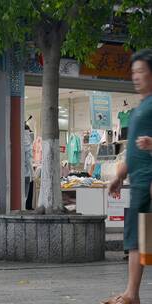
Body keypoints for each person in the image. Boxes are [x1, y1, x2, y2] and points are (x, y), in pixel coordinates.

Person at [104, 49, 152, 304]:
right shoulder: (140, 108)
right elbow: (133, 148)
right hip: (141, 184)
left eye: (141, 72)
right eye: (133, 72)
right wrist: (119, 175)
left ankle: (132, 294)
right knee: (138, 241)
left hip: (150, 183)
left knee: (142, 241)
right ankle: (131, 294)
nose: (136, 77)